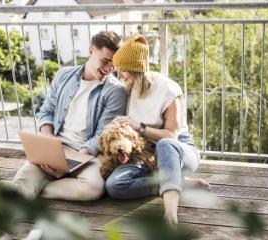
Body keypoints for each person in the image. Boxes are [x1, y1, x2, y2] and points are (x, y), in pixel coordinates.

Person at [106, 33, 211, 226]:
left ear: (135, 68)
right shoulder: (129, 88)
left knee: (164, 144)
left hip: (178, 150)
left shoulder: (169, 90)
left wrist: (139, 126)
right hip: (148, 154)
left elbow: (172, 135)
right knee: (114, 185)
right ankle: (174, 184)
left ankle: (170, 215)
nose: (119, 74)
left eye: (123, 70)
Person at [12, 30, 127, 201]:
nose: (109, 68)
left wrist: (69, 166)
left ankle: (39, 188)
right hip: (56, 146)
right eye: (105, 61)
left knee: (93, 187)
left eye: (114, 64)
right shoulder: (63, 75)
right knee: (20, 185)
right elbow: (47, 111)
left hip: (87, 153)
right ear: (90, 51)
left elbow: (101, 135)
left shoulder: (115, 91)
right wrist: (48, 138)